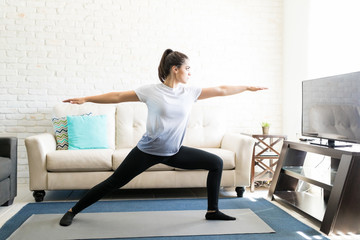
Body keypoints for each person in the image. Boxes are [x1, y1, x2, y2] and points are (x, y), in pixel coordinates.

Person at [59, 49, 267, 226]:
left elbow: (221, 90)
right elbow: (119, 96)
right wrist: (86, 99)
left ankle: (212, 211)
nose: (190, 73)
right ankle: (72, 210)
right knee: (113, 182)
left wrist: (247, 87)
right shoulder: (151, 91)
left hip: (174, 152)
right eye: (187, 69)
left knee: (216, 163)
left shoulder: (190, 92)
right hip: (146, 152)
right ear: (175, 69)